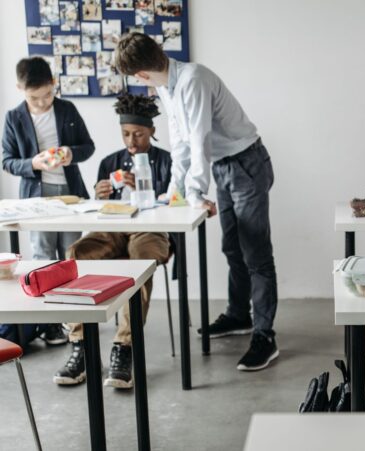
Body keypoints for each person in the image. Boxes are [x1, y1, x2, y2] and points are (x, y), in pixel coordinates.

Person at [114, 33, 279, 371]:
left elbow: (199, 137)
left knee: (256, 253)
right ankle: (239, 316)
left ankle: (265, 336)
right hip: (223, 166)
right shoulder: (166, 86)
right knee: (232, 247)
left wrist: (194, 192)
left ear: (140, 75)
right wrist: (175, 192)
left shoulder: (193, 79)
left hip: (246, 163)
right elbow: (181, 144)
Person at [53, 94, 172, 388]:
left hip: (151, 229)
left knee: (140, 264)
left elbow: (175, 202)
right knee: (76, 253)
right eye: (126, 134)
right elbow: (97, 211)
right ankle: (80, 345)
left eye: (138, 134)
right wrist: (101, 194)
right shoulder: (110, 162)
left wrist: (148, 188)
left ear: (152, 131)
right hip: (113, 227)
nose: (131, 141)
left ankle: (124, 347)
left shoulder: (167, 161)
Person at [2, 56, 95, 346]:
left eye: (47, 95)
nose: (42, 102)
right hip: (36, 198)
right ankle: (50, 324)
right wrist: (33, 163)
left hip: (69, 195)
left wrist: (70, 153)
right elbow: (7, 161)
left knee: (70, 257)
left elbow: (88, 146)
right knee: (43, 258)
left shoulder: (67, 109)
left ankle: (73, 322)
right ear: (20, 88)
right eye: (35, 97)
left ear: (54, 85)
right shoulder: (14, 117)